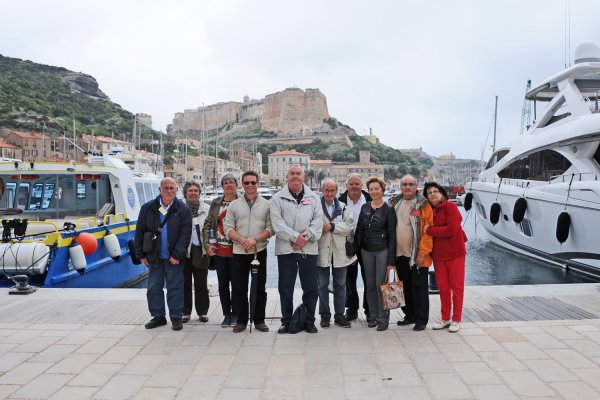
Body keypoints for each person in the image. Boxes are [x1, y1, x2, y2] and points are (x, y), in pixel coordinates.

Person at [270, 165, 323, 334]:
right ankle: (286, 321)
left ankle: (309, 321)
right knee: (285, 287)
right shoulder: (277, 198)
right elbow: (277, 224)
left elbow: (318, 223)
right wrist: (295, 238)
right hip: (286, 249)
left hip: (309, 249)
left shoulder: (314, 197)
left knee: (311, 288)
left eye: (298, 174)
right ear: (286, 177)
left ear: (303, 177)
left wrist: (304, 238)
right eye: (292, 174)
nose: (295, 176)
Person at [134, 177, 192, 331]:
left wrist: (177, 255)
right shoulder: (147, 208)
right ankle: (158, 316)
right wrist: (141, 254)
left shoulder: (183, 209)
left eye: (172, 188)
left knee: (175, 288)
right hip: (154, 256)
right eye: (165, 188)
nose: (168, 190)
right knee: (153, 287)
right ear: (159, 190)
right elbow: (139, 231)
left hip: (174, 257)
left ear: (177, 190)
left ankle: (176, 317)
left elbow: (185, 235)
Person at [224, 171, 273, 333]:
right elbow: (228, 228)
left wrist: (255, 239)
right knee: (239, 288)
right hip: (239, 252)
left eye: (253, 182)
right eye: (247, 183)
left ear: (258, 184)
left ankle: (259, 320)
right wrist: (242, 240)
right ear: (242, 185)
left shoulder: (267, 205)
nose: (250, 185)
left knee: (260, 287)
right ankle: (241, 320)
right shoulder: (234, 205)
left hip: (259, 251)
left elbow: (270, 228)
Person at [389, 175, 434, 331]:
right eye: (405, 184)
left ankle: (421, 319)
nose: (407, 187)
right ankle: (410, 315)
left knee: (419, 288)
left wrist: (423, 253)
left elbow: (427, 232)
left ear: (417, 187)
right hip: (400, 254)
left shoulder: (423, 205)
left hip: (417, 255)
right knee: (405, 287)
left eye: (411, 184)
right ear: (401, 186)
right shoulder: (395, 203)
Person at [423, 182, 467, 333]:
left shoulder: (451, 207)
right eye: (429, 192)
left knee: (457, 288)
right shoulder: (428, 210)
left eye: (436, 191)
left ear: (442, 194)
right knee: (443, 288)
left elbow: (452, 229)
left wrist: (430, 230)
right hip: (438, 254)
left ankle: (456, 319)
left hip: (455, 252)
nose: (433, 194)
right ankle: (445, 318)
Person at [354, 177, 397, 331]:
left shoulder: (389, 209)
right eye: (371, 189)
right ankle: (372, 317)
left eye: (376, 189)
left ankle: (383, 319)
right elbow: (359, 231)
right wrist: (354, 253)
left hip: (382, 251)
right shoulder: (365, 207)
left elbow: (392, 236)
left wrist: (391, 261)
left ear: (382, 190)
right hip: (366, 251)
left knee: (381, 286)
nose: (374, 192)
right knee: (370, 286)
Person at [317, 179, 355, 329]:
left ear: (336, 191)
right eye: (326, 190)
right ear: (322, 190)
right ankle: (324, 316)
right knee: (322, 285)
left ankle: (340, 315)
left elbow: (349, 226)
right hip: (322, 252)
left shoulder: (344, 208)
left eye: (332, 190)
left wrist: (331, 226)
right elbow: (312, 226)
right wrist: (324, 228)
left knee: (340, 285)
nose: (329, 193)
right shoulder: (315, 208)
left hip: (340, 252)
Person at [203, 173, 239, 328]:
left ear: (237, 185)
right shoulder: (215, 203)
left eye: (231, 182)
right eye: (226, 182)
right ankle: (227, 314)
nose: (229, 185)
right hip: (220, 251)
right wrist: (207, 244)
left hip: (238, 250)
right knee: (223, 284)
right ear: (222, 186)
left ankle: (237, 314)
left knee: (238, 285)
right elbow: (207, 225)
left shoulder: (242, 202)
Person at [339, 173, 371, 322]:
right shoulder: (339, 201)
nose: (354, 186)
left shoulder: (370, 200)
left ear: (362, 185)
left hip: (367, 244)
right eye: (351, 184)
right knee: (349, 280)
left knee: (368, 278)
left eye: (357, 184)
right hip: (347, 245)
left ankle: (369, 310)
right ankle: (352, 310)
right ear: (346, 186)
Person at [182, 181, 211, 324]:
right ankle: (185, 312)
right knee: (184, 283)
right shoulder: (180, 208)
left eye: (195, 190)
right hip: (184, 251)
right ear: (185, 193)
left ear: (199, 193)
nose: (193, 193)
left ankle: (203, 312)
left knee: (201, 283)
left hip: (201, 250)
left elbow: (212, 229)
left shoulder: (207, 208)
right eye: (190, 191)